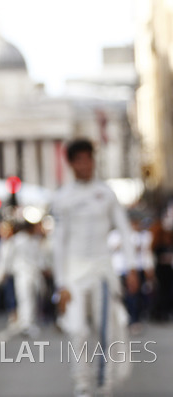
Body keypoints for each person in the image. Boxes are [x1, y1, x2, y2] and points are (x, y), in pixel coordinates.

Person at [51, 138, 138, 397]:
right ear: (71, 164)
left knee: (105, 331)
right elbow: (58, 242)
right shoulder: (63, 197)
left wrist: (132, 268)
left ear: (93, 160)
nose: (85, 165)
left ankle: (105, 384)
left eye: (88, 159)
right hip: (74, 274)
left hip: (101, 271)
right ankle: (82, 385)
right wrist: (60, 284)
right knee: (76, 330)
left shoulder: (106, 193)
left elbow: (123, 230)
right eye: (79, 160)